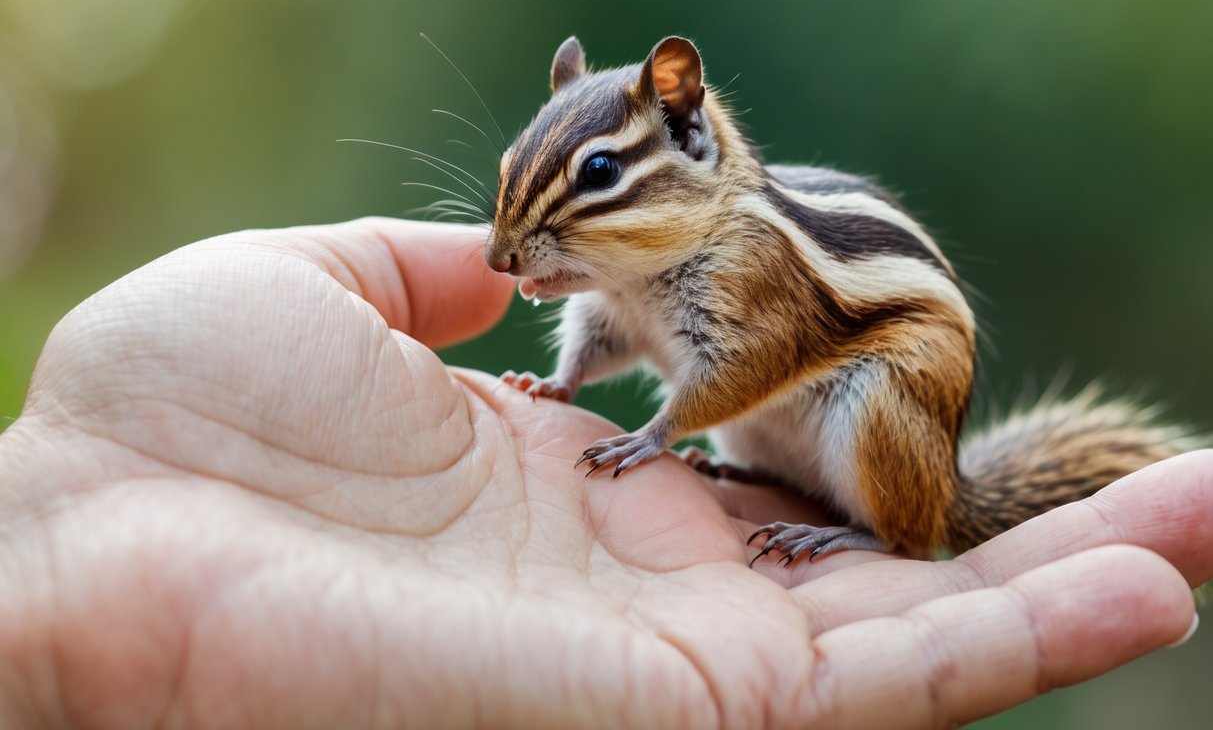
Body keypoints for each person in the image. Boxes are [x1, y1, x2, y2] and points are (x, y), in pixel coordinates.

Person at [0, 218, 1207, 728]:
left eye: (584, 199)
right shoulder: (625, 269)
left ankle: (871, 527)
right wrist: (573, 391)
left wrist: (653, 438)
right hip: (762, 451)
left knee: (830, 398)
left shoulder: (735, 255)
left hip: (862, 386)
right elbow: (621, 333)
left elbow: (748, 358)